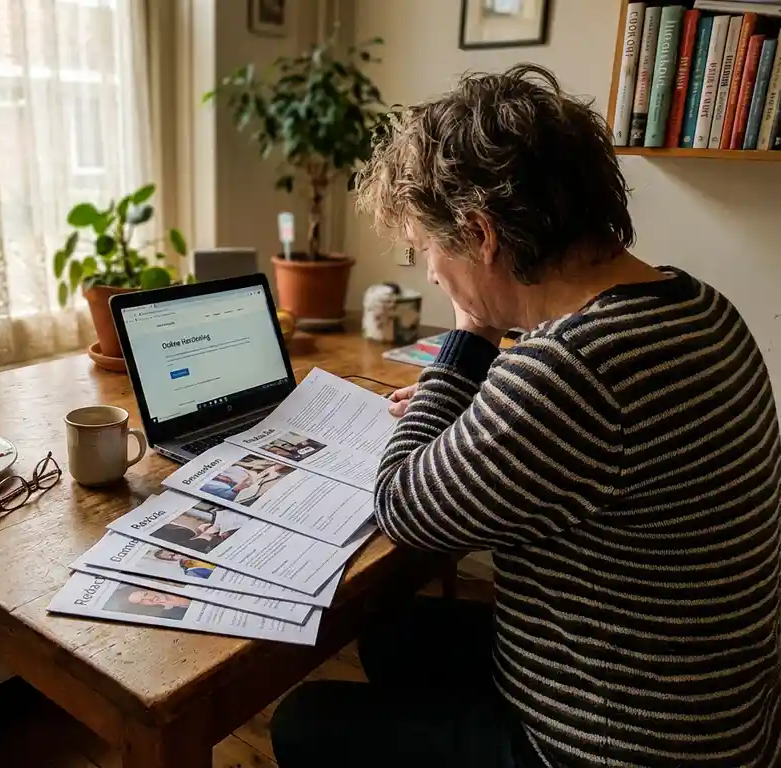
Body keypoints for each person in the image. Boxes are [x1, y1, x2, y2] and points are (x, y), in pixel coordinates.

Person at [270, 64, 781, 767]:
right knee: (393, 633)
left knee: (305, 721)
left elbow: (402, 505)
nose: (431, 274)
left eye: (426, 249)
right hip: (707, 708)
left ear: (480, 235)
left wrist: (470, 336)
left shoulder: (571, 367)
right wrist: (482, 412)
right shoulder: (699, 306)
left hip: (620, 747)